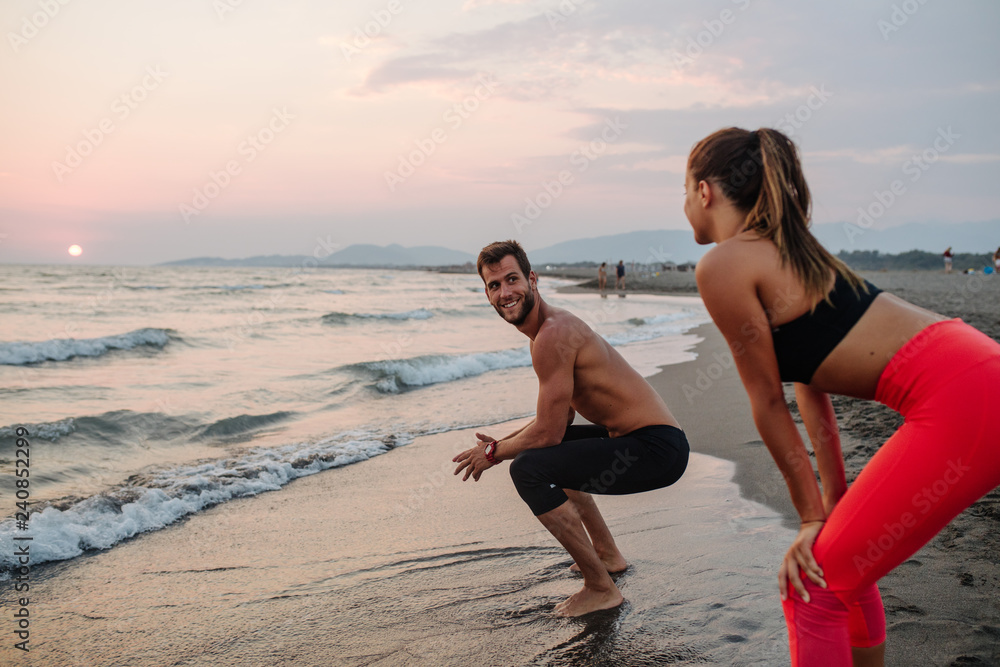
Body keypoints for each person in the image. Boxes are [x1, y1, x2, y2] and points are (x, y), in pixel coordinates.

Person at [681, 127, 1000, 666]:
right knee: (841, 569)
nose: (684, 204)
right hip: (976, 374)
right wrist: (829, 503)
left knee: (810, 585)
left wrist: (808, 520)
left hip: (962, 400)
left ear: (706, 191)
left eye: (684, 189)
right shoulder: (789, 252)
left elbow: (766, 402)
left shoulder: (725, 264)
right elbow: (809, 382)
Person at [453, 240, 689, 617]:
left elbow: (548, 433)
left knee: (529, 469)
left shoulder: (553, 335)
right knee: (540, 456)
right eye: (494, 285)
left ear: (532, 279)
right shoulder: (547, 332)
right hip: (649, 442)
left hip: (657, 449)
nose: (505, 292)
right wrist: (500, 444)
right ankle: (608, 556)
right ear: (486, 293)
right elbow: (558, 424)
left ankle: (601, 588)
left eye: (512, 279)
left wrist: (495, 453)